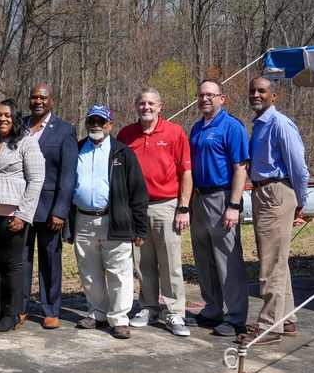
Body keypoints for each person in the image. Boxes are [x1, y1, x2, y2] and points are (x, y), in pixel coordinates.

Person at [237, 76, 309, 347]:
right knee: (277, 259)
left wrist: (300, 201)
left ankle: (269, 326)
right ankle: (286, 319)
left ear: (274, 95)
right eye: (252, 90)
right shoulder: (260, 124)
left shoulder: (280, 124)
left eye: (262, 91)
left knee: (271, 265)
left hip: (276, 192)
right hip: (262, 193)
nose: (256, 95)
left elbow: (298, 167)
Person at [116, 88, 193, 337]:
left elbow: (186, 172)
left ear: (160, 106)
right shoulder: (126, 134)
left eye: (150, 103)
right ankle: (148, 307)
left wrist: (183, 208)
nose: (146, 107)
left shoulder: (174, 132)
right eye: (142, 103)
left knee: (170, 262)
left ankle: (174, 312)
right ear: (136, 106)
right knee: (142, 262)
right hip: (135, 208)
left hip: (166, 205)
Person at [70, 105, 148, 340]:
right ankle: (97, 313)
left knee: (119, 272)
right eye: (92, 121)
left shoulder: (123, 153)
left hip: (114, 220)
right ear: (86, 123)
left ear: (110, 125)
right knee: (89, 271)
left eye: (101, 122)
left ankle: (119, 319)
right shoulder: (76, 149)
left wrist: (140, 227)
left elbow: (138, 193)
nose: (96, 125)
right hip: (83, 219)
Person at [0, 100, 45, 333]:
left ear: (15, 118)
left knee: (12, 265)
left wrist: (23, 215)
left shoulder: (26, 143)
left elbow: (36, 180)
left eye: (7, 115)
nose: (2, 119)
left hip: (13, 216)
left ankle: (12, 314)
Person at [187, 80, 250, 338]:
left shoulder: (232, 127)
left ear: (221, 98)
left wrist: (233, 205)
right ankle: (212, 310)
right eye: (201, 95)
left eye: (210, 95)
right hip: (199, 198)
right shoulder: (196, 128)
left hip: (222, 198)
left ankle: (236, 317)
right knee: (204, 260)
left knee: (227, 260)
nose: (205, 99)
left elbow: (240, 169)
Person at [22, 83, 78, 329]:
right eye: (34, 97)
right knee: (20, 259)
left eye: (43, 98)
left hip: (49, 208)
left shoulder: (65, 130)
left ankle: (51, 310)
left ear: (52, 101)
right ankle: (20, 307)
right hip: (20, 206)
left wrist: (60, 211)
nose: (38, 101)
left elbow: (68, 175)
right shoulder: (18, 125)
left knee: (50, 260)